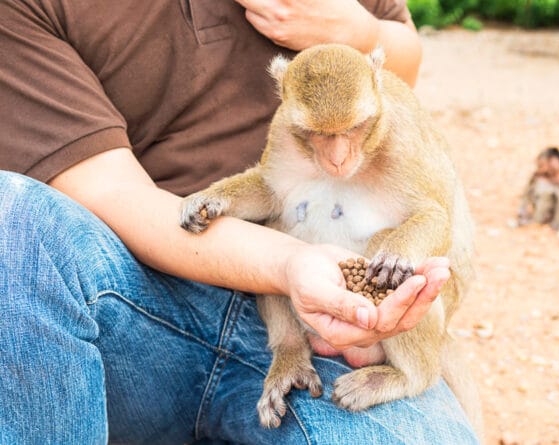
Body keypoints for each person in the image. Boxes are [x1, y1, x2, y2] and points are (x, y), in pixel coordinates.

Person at [0, 0, 479, 443]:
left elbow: (404, 59)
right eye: (317, 136)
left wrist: (355, 29)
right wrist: (282, 257)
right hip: (139, 290)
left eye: (351, 132)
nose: (336, 157)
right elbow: (110, 190)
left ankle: (402, 373)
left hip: (343, 298)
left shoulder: (385, 138)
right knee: (12, 209)